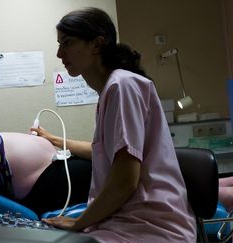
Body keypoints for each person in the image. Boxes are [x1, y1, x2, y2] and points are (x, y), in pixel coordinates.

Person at [39, 7, 196, 242]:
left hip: (152, 227)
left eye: (67, 43)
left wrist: (79, 222)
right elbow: (103, 153)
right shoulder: (112, 90)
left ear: (97, 44)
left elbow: (125, 180)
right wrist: (55, 140)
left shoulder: (122, 86)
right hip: (124, 221)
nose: (60, 54)